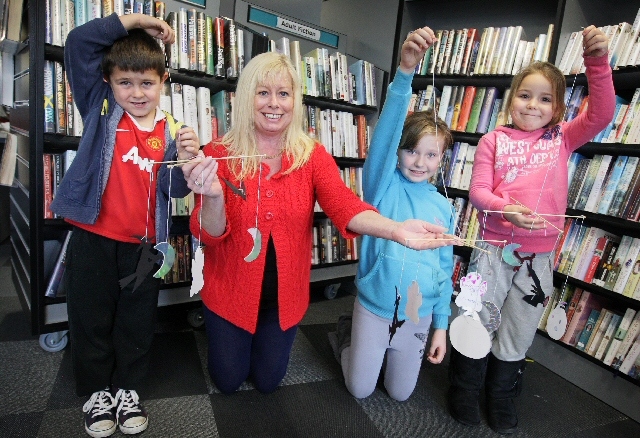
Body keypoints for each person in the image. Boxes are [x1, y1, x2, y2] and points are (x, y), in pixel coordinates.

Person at [180, 50, 453, 396]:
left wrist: (395, 229)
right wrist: (215, 196)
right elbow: (210, 235)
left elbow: (344, 204)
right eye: (263, 92)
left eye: (283, 93)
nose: (273, 103)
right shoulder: (219, 153)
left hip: (284, 298)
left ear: (296, 100)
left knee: (267, 382)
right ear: (247, 97)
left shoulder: (311, 155)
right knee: (228, 381)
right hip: (229, 293)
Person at [450, 25, 615, 434]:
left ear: (557, 108)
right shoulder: (493, 139)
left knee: (519, 327)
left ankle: (500, 397)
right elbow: (479, 192)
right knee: (476, 317)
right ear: (512, 99)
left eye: (545, 99)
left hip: (538, 258)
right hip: (492, 250)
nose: (532, 105)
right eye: (525, 95)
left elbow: (602, 113)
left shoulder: (562, 138)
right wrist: (508, 209)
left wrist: (596, 62)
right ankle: (463, 393)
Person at [50, 13, 200, 438]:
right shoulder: (100, 108)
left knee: (135, 321)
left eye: (147, 83)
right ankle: (97, 391)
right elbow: (79, 42)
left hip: (144, 248)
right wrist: (137, 21)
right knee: (90, 318)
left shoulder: (171, 128)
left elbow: (171, 190)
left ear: (164, 80)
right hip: (94, 238)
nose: (136, 93)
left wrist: (186, 161)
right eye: (125, 82)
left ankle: (128, 389)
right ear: (109, 82)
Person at [326, 27, 455, 402]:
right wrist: (405, 74)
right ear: (399, 152)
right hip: (376, 307)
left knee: (400, 394)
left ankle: (382, 352)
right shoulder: (383, 185)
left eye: (431, 155)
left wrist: (441, 327)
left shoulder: (444, 207)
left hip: (419, 316)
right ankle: (349, 335)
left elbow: (445, 269)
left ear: (441, 160)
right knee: (360, 388)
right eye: (412, 150)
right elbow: (384, 137)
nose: (419, 161)